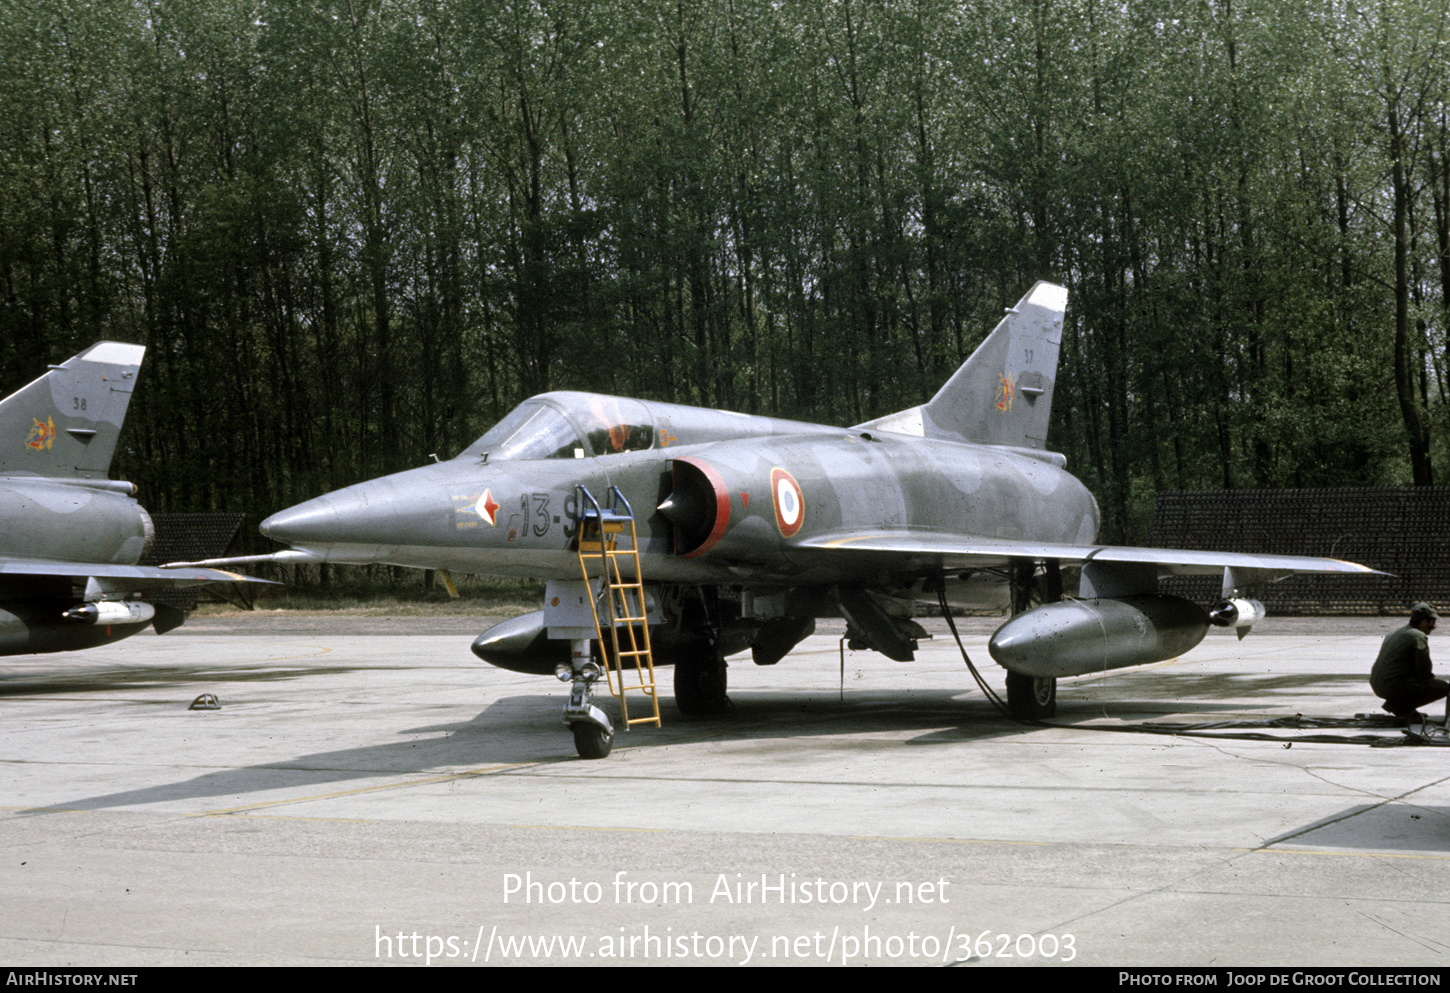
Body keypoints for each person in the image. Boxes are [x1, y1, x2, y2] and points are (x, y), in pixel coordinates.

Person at [1371, 602, 1449, 720]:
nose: (1434, 627)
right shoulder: (1418, 636)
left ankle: (1402, 707)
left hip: (1378, 683)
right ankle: (1400, 706)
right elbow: (1424, 670)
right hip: (1392, 685)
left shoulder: (1396, 632)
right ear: (1423, 622)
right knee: (1443, 687)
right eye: (1432, 623)